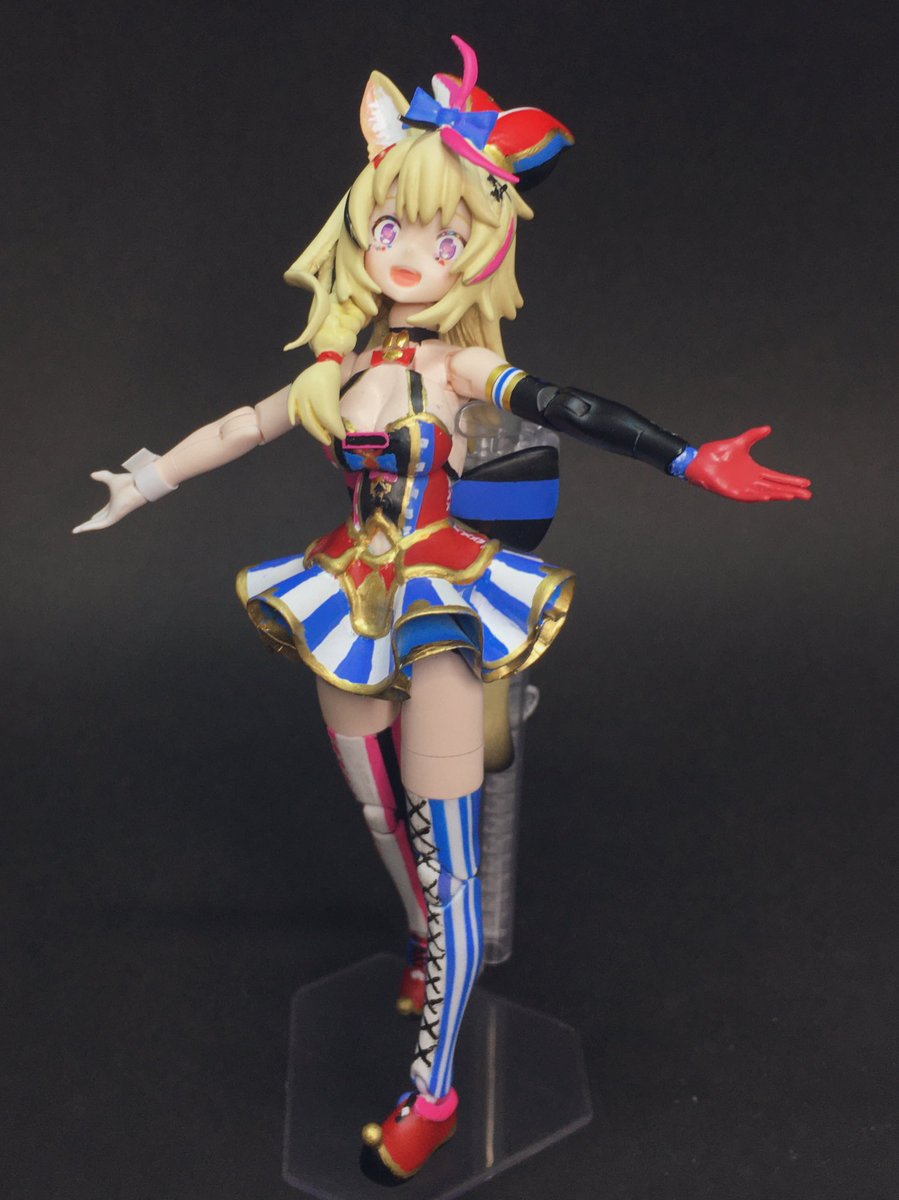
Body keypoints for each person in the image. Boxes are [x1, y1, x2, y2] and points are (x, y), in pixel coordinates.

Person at [75, 36, 811, 1181]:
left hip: (444, 604)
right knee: (377, 812)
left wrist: (683, 458)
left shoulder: (458, 371)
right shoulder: (339, 371)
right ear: (359, 233)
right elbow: (245, 425)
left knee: (449, 845)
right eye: (391, 229)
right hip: (349, 589)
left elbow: (567, 405)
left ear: (482, 249)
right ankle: (430, 944)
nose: (412, 256)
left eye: (444, 237)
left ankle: (433, 1093)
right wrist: (146, 480)